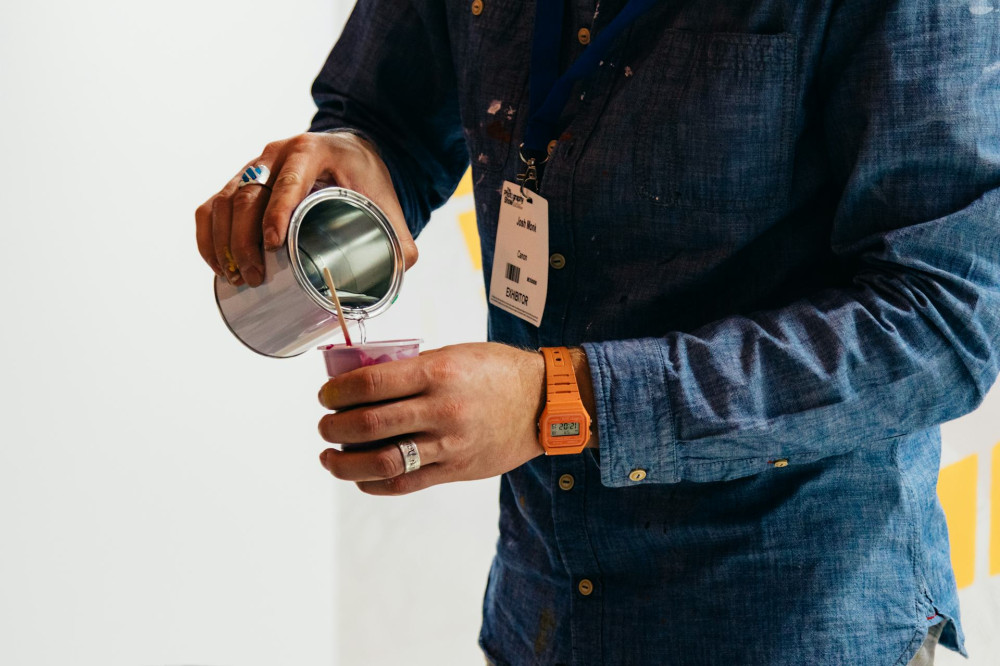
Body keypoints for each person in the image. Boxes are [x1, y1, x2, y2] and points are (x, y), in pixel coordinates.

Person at [195, 1, 1000, 663]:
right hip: (541, 613)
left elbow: (943, 319)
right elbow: (383, 118)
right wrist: (350, 158)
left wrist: (561, 401)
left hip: (793, 623)